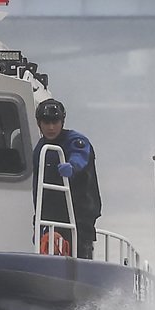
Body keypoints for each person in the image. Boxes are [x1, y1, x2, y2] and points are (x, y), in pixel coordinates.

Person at [31, 98, 101, 259]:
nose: (51, 127)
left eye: (55, 122)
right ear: (39, 123)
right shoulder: (40, 149)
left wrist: (72, 166)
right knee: (46, 252)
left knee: (80, 252)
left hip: (80, 215)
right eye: (46, 122)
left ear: (62, 122)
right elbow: (37, 187)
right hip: (49, 215)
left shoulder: (76, 141)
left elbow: (80, 156)